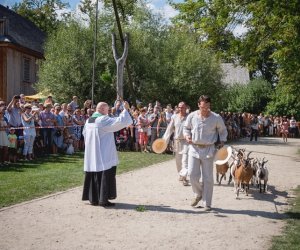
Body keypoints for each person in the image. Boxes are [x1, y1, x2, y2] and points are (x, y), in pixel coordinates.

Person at [82, 100, 133, 207]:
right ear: (102, 109)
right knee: (105, 173)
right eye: (107, 109)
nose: (108, 111)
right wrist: (126, 109)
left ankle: (94, 198)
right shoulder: (102, 119)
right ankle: (103, 199)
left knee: (94, 173)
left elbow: (84, 134)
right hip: (103, 153)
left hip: (92, 153)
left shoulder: (89, 120)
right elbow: (119, 122)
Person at [183, 95, 227, 211]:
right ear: (199, 105)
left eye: (208, 107)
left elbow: (222, 130)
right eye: (203, 107)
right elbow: (186, 128)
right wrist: (187, 136)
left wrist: (222, 141)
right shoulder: (192, 116)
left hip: (209, 149)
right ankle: (198, 193)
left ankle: (207, 203)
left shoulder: (216, 117)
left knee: (208, 178)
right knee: (192, 174)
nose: (205, 109)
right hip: (194, 148)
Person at [162, 101, 189, 186]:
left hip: (186, 142)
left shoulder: (189, 117)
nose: (181, 109)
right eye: (179, 107)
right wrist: (164, 141)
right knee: (178, 161)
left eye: (183, 107)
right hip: (177, 141)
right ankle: (181, 174)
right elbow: (169, 129)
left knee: (185, 160)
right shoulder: (174, 117)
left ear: (186, 108)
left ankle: (184, 177)